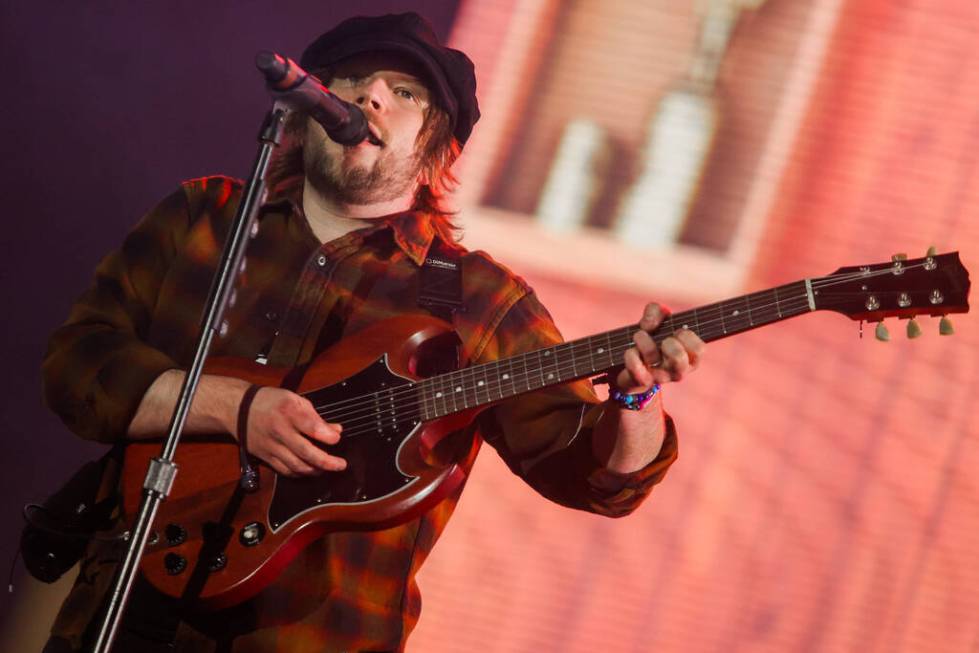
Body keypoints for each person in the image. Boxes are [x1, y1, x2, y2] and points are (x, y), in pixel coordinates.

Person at [41, 12, 704, 653]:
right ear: (305, 114)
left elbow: (587, 471)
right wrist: (237, 408)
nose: (371, 95)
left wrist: (638, 399)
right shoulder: (204, 218)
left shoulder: (482, 299)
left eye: (405, 91)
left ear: (435, 147)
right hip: (119, 616)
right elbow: (77, 366)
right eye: (350, 80)